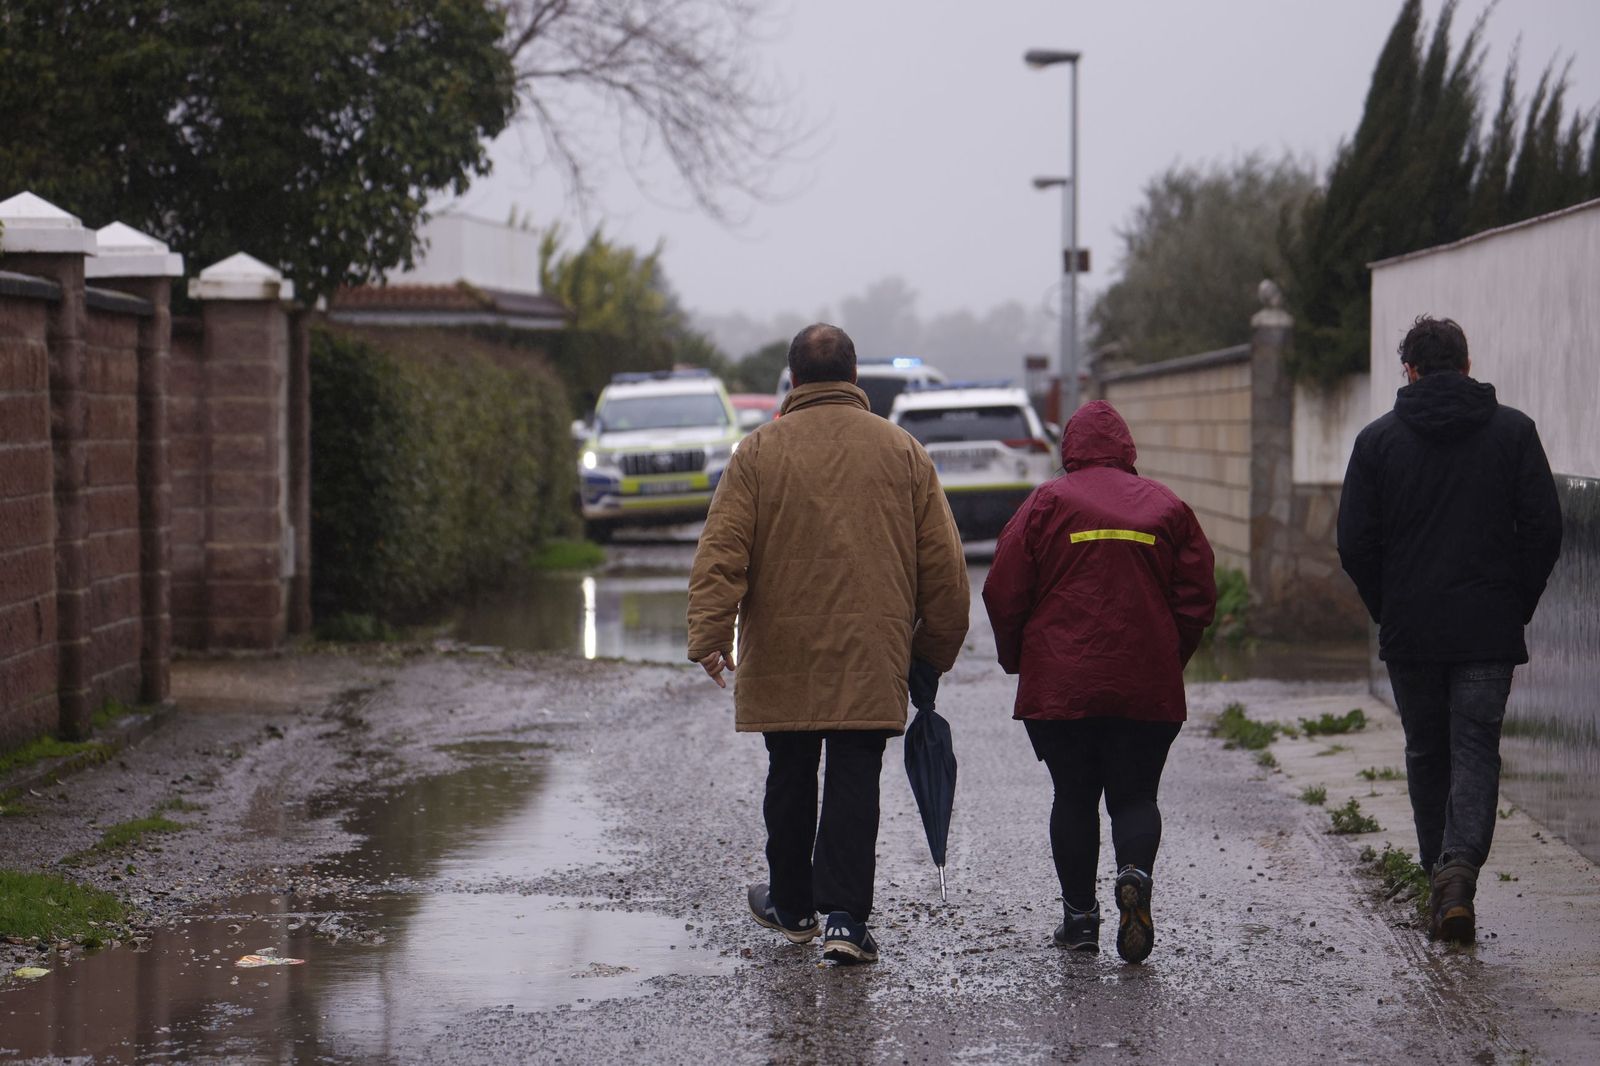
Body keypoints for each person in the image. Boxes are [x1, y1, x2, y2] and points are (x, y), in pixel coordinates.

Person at [687, 323, 970, 965]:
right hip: (872, 651)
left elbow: (721, 552)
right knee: (855, 775)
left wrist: (709, 632)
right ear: (854, 377)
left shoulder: (757, 454)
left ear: (792, 380)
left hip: (782, 649)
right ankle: (845, 919)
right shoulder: (902, 452)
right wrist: (931, 652)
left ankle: (791, 905)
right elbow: (946, 572)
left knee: (788, 771)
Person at [1337, 314, 1561, 943]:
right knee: (1474, 748)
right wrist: (1516, 601)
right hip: (1488, 628)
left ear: (1409, 371)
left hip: (1413, 631)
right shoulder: (1514, 434)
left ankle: (1439, 871)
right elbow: (1544, 528)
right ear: (1467, 366)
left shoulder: (1377, 442)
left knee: (1427, 750)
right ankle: (1457, 876)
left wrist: (1390, 604)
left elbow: (1355, 543)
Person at [982, 400, 1215, 964]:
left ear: (1070, 450)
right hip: (1145, 686)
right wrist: (1166, 657)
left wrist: (1022, 661)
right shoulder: (1167, 506)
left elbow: (1003, 591)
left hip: (1062, 689)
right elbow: (1197, 599)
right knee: (1135, 795)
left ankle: (1081, 919)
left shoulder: (1046, 503)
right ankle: (1133, 874)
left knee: (1074, 795)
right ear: (1127, 448)